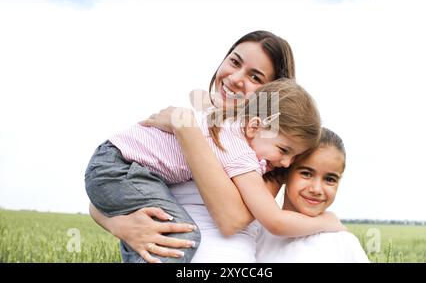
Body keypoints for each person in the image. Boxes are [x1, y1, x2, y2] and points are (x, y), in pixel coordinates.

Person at [88, 30, 344, 263]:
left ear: (272, 95)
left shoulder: (267, 162)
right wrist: (118, 225)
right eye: (234, 62)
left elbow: (231, 220)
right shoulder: (196, 126)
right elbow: (105, 194)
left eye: (255, 76)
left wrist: (187, 129)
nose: (234, 78)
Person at [255, 127, 370, 263]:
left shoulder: (344, 244)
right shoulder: (255, 233)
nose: (316, 189)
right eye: (306, 173)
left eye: (330, 179)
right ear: (285, 172)